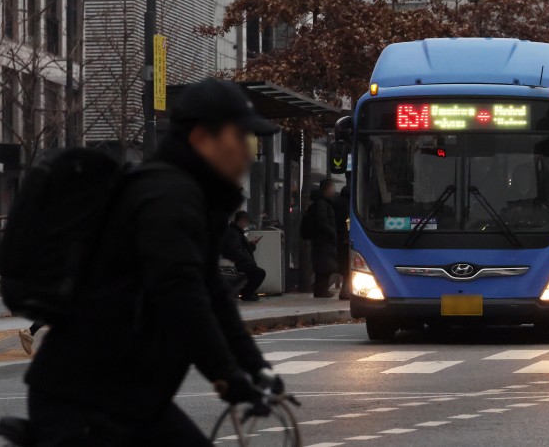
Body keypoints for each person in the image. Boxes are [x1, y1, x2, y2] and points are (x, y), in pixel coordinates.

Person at [25, 78, 284, 446]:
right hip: (83, 398)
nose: (248, 153)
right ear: (201, 139)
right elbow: (182, 297)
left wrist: (255, 367)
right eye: (239, 139)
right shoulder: (167, 199)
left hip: (128, 395)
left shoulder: (191, 198)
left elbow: (213, 296)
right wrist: (227, 376)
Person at [222, 211, 266, 301]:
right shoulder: (234, 232)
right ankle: (246, 294)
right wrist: (245, 260)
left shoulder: (238, 232)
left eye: (246, 221)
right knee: (259, 273)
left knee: (257, 273)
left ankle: (246, 293)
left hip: (242, 261)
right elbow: (235, 250)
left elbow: (242, 249)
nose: (245, 223)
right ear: (238, 220)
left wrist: (252, 245)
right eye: (243, 220)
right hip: (240, 263)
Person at [310, 179, 338, 298]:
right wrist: (332, 233)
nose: (334, 190)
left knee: (325, 265)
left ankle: (321, 289)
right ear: (327, 189)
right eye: (333, 187)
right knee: (325, 266)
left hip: (323, 240)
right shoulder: (322, 203)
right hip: (323, 240)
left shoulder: (324, 202)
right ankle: (321, 290)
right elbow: (322, 221)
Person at [333, 179, 351, 300]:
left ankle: (343, 290)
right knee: (347, 269)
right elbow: (348, 224)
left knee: (343, 268)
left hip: (337, 239)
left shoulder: (335, 205)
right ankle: (345, 291)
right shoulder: (347, 207)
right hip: (345, 240)